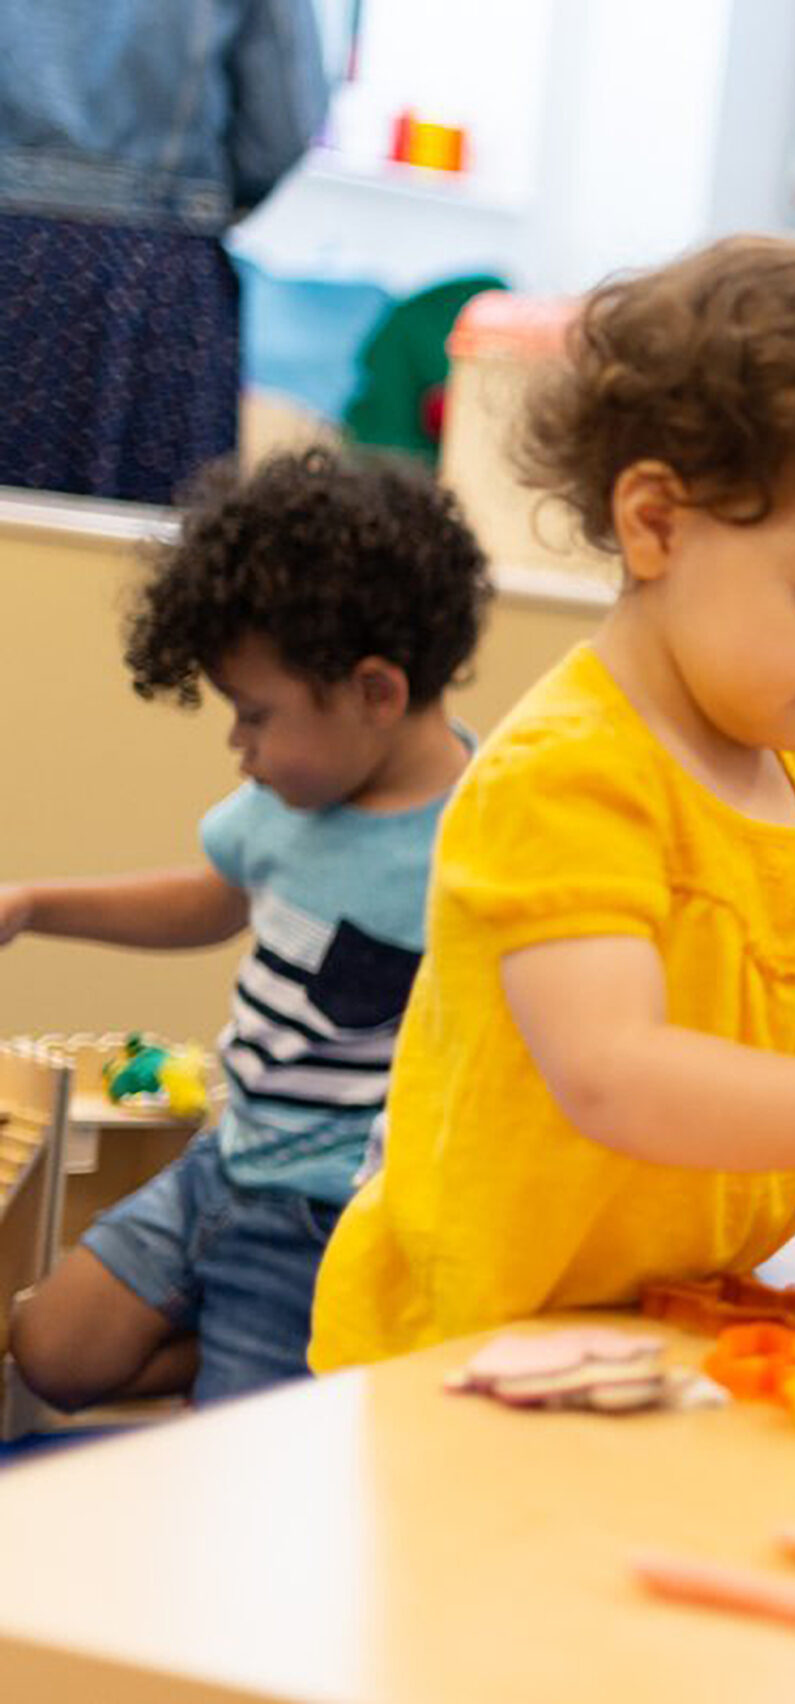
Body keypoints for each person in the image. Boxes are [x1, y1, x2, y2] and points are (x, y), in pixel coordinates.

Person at [308, 237, 795, 1369]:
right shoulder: (567, 776)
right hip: (471, 1351)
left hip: (675, 1335)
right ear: (657, 522)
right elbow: (617, 1080)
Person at [4, 446, 490, 1405]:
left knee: (240, 1451)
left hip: (326, 1216)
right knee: (47, 1350)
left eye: (254, 716)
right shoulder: (287, 801)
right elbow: (212, 900)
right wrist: (35, 903)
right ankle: (245, 1339)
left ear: (376, 693)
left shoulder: (480, 839)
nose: (240, 747)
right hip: (222, 1162)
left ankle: (309, 1361)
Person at [0, 0, 326, 504]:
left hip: (15, 256)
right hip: (154, 274)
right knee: (138, 553)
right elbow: (279, 126)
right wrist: (195, 198)